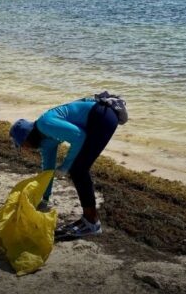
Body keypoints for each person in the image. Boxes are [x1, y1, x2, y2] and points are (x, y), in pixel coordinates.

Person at [9, 95, 123, 239]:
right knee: (79, 169)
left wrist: (65, 166)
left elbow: (79, 137)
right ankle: (89, 221)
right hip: (99, 118)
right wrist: (44, 199)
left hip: (101, 116)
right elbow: (48, 171)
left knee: (78, 170)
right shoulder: (45, 143)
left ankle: (92, 223)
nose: (24, 149)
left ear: (26, 136)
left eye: (22, 145)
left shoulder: (45, 124)